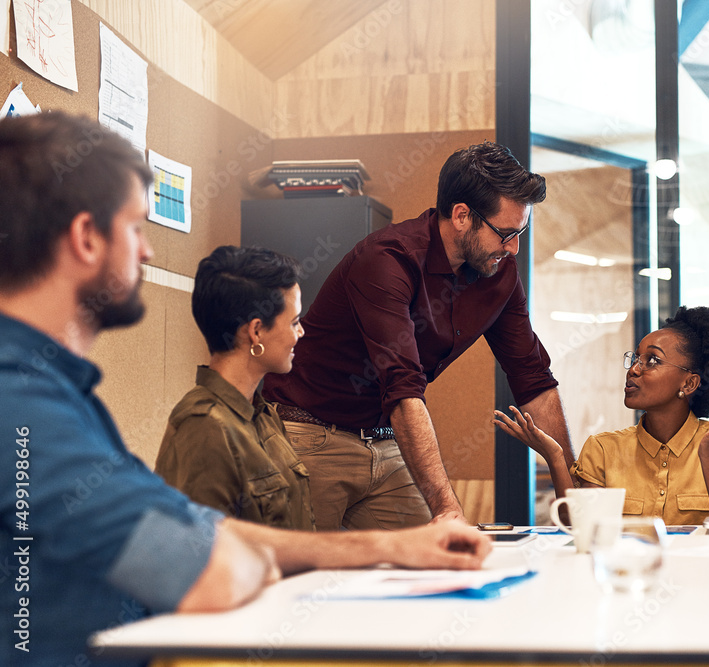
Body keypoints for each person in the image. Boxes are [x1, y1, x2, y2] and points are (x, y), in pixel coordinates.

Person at [0, 111, 491, 667]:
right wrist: (241, 550)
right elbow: (210, 566)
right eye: (136, 228)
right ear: (87, 238)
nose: (148, 253)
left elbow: (209, 533)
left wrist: (391, 545)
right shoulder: (22, 406)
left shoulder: (62, 395)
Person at [263, 141, 571, 529]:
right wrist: (448, 509)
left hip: (384, 438)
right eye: (506, 233)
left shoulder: (499, 273)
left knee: (440, 562)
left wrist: (576, 502)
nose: (514, 248)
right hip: (311, 433)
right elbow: (403, 385)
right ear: (462, 216)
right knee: (306, 579)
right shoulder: (386, 260)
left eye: (521, 232)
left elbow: (534, 379)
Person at [494, 306, 709, 526]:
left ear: (689, 384)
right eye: (635, 358)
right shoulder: (603, 448)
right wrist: (554, 456)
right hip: (626, 579)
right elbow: (580, 526)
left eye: (653, 360)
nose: (634, 369)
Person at [156, 245, 314, 530]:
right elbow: (204, 554)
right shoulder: (204, 426)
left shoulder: (262, 414)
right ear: (255, 332)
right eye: (294, 322)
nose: (301, 332)